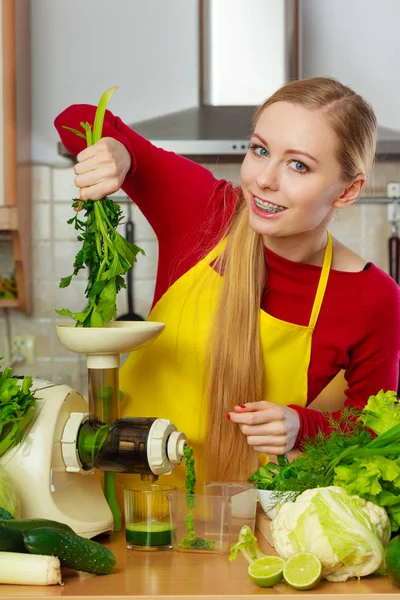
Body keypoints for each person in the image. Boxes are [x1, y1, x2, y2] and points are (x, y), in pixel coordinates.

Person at [55, 77, 400, 489]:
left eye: (298, 165)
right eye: (260, 150)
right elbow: (74, 120)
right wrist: (119, 152)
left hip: (238, 526)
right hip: (120, 501)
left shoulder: (371, 298)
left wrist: (301, 425)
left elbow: (375, 432)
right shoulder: (206, 213)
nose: (264, 179)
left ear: (348, 191)